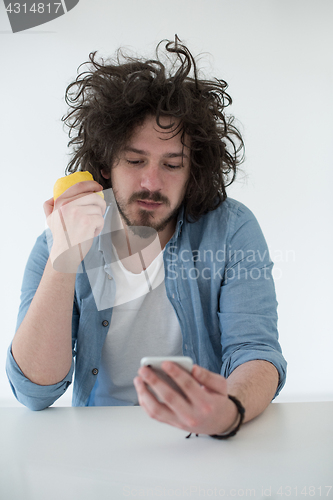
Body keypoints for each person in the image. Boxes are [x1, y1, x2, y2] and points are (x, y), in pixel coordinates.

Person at [6, 37, 286, 439]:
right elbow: (33, 391)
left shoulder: (233, 231)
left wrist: (227, 412)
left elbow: (256, 352)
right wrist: (63, 259)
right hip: (97, 443)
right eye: (135, 161)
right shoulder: (57, 242)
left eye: (172, 164)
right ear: (105, 164)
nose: (151, 183)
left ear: (195, 171)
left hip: (201, 440)